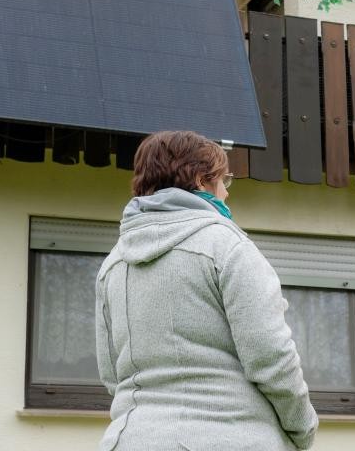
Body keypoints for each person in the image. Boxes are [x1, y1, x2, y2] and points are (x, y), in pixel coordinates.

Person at [95, 130, 318, 451]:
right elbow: (271, 357)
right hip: (228, 437)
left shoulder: (113, 265)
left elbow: (111, 374)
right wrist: (303, 428)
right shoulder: (227, 246)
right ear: (201, 180)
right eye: (224, 180)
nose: (226, 193)